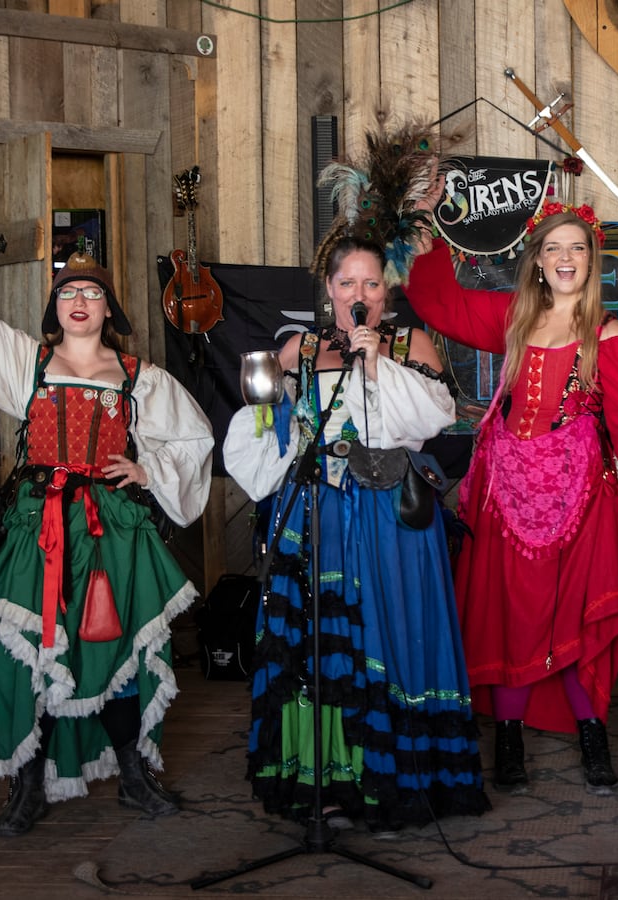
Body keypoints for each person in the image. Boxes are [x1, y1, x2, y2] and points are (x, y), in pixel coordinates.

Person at [224, 131, 490, 832]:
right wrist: (266, 399)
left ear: (387, 289)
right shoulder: (299, 349)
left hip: (392, 516)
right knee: (322, 650)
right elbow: (263, 431)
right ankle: (328, 778)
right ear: (328, 291)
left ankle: (401, 773)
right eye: (347, 284)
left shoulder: (411, 345)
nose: (360, 293)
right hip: (320, 516)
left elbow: (430, 419)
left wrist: (376, 364)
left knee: (392, 638)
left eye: (372, 283)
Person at [0, 247, 213, 837]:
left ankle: (133, 776)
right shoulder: (28, 363)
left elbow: (193, 437)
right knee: (31, 653)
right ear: (55, 306)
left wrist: (147, 470)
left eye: (92, 293)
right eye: (69, 292)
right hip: (36, 525)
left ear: (109, 309)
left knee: (116, 649)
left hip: (108, 528)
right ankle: (28, 785)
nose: (80, 301)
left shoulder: (137, 377)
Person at [404, 199, 618, 795]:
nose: (565, 258)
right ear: (538, 261)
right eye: (553, 248)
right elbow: (444, 305)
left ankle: (593, 737)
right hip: (507, 488)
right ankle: (509, 738)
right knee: (511, 616)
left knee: (574, 614)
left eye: (576, 247)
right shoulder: (516, 318)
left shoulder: (613, 337)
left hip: (578, 493)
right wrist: (426, 235)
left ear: (591, 258)